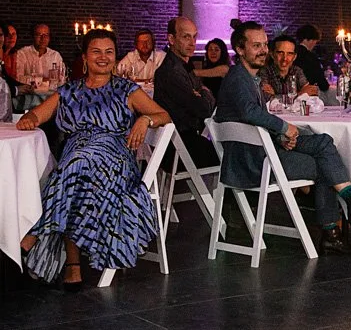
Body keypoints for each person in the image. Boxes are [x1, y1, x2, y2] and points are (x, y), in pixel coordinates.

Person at [16, 28, 170, 290]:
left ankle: (37, 235)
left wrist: (145, 119)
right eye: (96, 52)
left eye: (109, 52)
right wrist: (30, 118)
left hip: (115, 158)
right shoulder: (69, 91)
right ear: (85, 58)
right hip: (79, 156)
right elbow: (34, 116)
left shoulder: (126, 89)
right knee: (78, 171)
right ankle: (72, 265)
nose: (103, 57)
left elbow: (163, 115)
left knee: (72, 166)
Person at [216, 21, 351, 254]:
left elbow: (253, 118)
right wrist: (283, 127)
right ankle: (336, 226)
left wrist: (280, 135)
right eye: (256, 45)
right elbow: (249, 112)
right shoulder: (238, 78)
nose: (263, 50)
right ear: (240, 48)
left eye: (265, 44)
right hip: (253, 162)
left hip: (263, 149)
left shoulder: (249, 77)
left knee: (324, 142)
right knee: (322, 163)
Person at [151, 16, 216, 165]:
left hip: (181, 142)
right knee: (231, 156)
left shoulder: (183, 66)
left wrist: (201, 93)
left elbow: (204, 101)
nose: (192, 43)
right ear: (171, 39)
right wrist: (204, 92)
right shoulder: (172, 71)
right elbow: (204, 109)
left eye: (194, 37)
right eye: (186, 37)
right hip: (177, 149)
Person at [258, 33, 317, 102]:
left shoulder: (297, 71)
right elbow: (267, 99)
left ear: (294, 57)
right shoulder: (264, 72)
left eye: (290, 53)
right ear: (272, 54)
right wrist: (300, 95)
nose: (285, 58)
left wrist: (276, 96)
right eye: (280, 53)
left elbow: (310, 95)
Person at [14, 23, 65, 90]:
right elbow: (18, 78)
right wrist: (42, 80)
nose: (43, 38)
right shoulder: (23, 53)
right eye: (39, 35)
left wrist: (33, 79)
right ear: (33, 36)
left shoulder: (55, 56)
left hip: (50, 96)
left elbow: (61, 80)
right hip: (29, 97)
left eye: (46, 35)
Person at [294, 24, 330, 91]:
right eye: (315, 41)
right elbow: (323, 85)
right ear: (311, 40)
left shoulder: (292, 53)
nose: (314, 44)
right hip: (307, 93)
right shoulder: (311, 57)